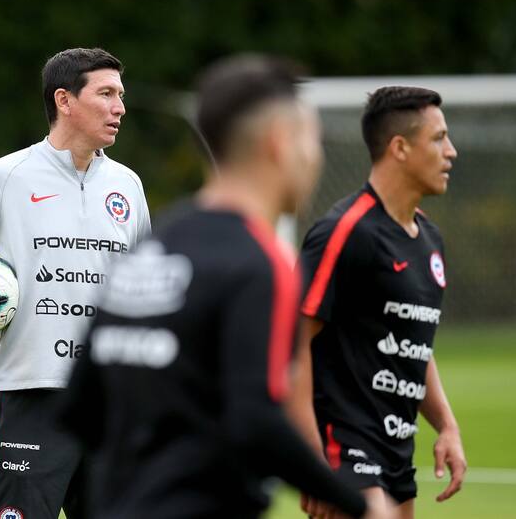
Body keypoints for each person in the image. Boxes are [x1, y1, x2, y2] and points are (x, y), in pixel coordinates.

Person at [59, 55, 392, 519]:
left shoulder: (152, 248)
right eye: (311, 140)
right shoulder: (261, 261)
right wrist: (355, 502)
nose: (315, 157)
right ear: (279, 143)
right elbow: (255, 420)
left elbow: (79, 407)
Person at [0, 47, 150, 519]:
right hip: (29, 397)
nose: (120, 107)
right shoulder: (5, 177)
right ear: (64, 100)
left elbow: (145, 295)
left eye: (120, 95)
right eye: (106, 94)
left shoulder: (128, 186)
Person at [291, 86, 467, 518]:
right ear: (400, 148)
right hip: (345, 450)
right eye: (439, 138)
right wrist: (313, 460)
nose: (452, 152)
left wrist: (445, 425)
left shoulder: (430, 239)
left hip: (396, 451)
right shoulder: (345, 233)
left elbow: (414, 345)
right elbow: (290, 344)